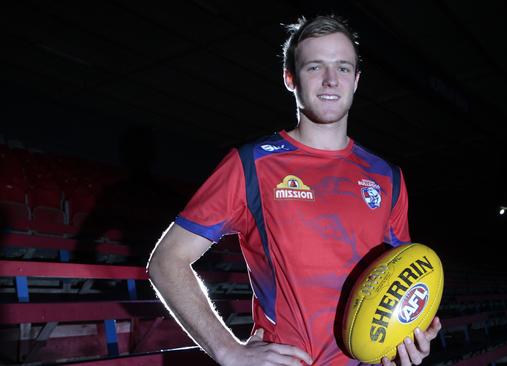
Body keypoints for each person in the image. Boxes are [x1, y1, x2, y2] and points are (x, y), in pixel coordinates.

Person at [147, 14, 441, 366]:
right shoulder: (252, 164)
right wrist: (227, 350)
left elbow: (396, 283)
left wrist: (403, 341)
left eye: (343, 68)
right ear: (291, 79)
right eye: (315, 67)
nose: (331, 80)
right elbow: (166, 261)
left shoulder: (388, 177)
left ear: (357, 80)